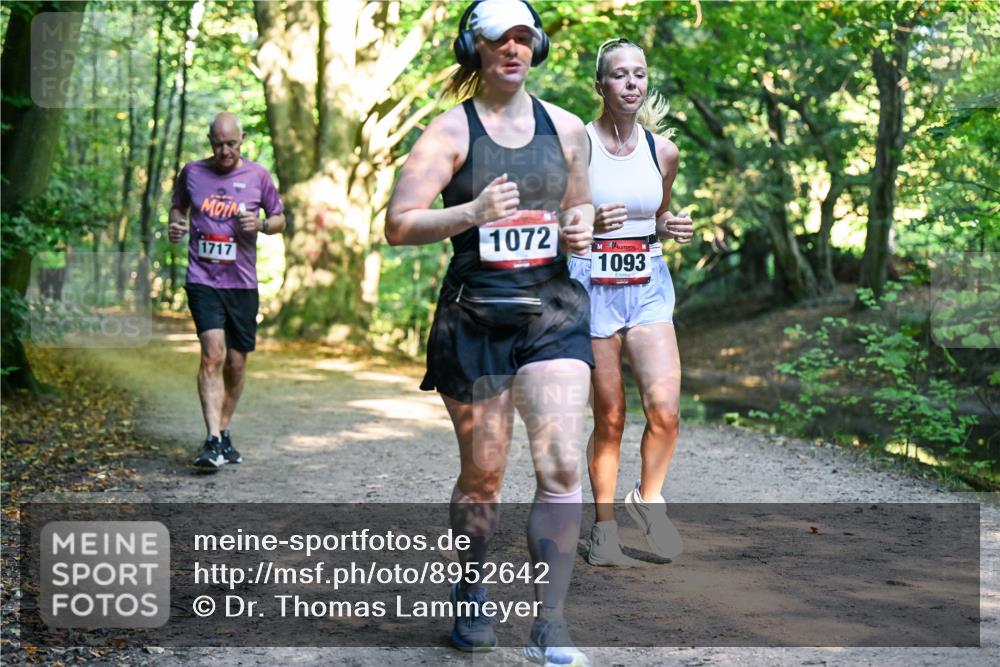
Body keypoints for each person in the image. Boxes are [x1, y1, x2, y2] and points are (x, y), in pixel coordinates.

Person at [385, 1, 594, 664]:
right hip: (474, 318)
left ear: (538, 48)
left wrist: (579, 229)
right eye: (499, 38)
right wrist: (472, 210)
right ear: (473, 48)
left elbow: (578, 209)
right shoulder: (449, 132)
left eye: (524, 37)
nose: (513, 47)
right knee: (485, 473)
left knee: (561, 463)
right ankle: (473, 588)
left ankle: (550, 621)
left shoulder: (566, 129)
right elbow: (399, 223)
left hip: (551, 314)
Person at [567, 38, 694, 566]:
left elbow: (658, 217)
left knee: (665, 411)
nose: (631, 84)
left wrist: (672, 226)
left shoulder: (662, 151)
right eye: (619, 75)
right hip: (590, 284)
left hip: (647, 284)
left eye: (639, 74)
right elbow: (552, 223)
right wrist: (587, 221)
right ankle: (603, 529)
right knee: (612, 416)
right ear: (600, 85)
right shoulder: (575, 145)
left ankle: (649, 498)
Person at [168, 112, 286, 471]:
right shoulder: (192, 172)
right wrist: (175, 224)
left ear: (242, 139)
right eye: (218, 144)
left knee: (235, 364)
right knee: (213, 355)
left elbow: (281, 219)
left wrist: (263, 224)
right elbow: (178, 208)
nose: (224, 151)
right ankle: (212, 440)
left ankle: (224, 429)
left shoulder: (257, 176)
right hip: (203, 280)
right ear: (209, 140)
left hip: (242, 284)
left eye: (231, 144)